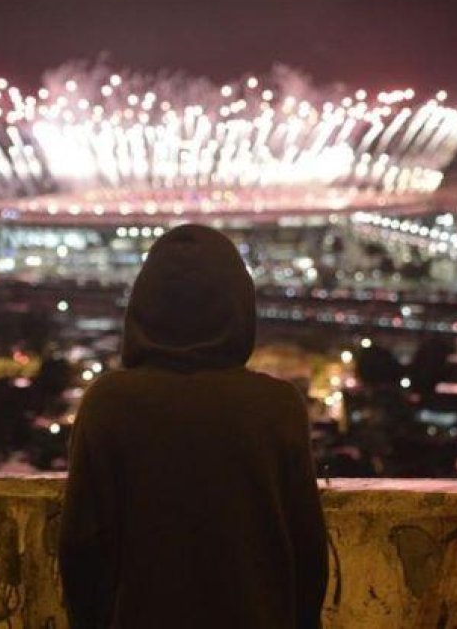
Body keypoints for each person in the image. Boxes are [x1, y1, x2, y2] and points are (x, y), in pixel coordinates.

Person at [58, 224, 329, 628]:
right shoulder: (276, 407)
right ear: (238, 306)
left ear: (144, 306)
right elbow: (308, 552)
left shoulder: (109, 403)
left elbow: (82, 550)